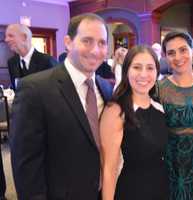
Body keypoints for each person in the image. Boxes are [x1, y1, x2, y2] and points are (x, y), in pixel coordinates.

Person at [10, 13, 113, 200]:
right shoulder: (35, 89)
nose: (96, 50)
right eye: (87, 41)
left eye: (102, 43)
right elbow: (26, 164)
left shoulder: (105, 88)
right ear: (68, 42)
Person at [100, 45, 169, 200]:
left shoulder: (159, 106)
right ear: (126, 71)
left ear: (157, 72)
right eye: (137, 67)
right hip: (133, 191)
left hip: (161, 189)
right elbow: (108, 170)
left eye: (150, 68)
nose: (143, 74)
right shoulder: (116, 110)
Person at [158, 31, 193, 200]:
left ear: (192, 50)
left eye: (183, 50)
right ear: (165, 57)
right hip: (171, 168)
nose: (178, 57)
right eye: (171, 53)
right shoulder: (157, 89)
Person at [5, 24, 57, 90]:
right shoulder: (12, 62)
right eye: (6, 36)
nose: (6, 40)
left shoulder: (47, 61)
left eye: (10, 36)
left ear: (24, 37)